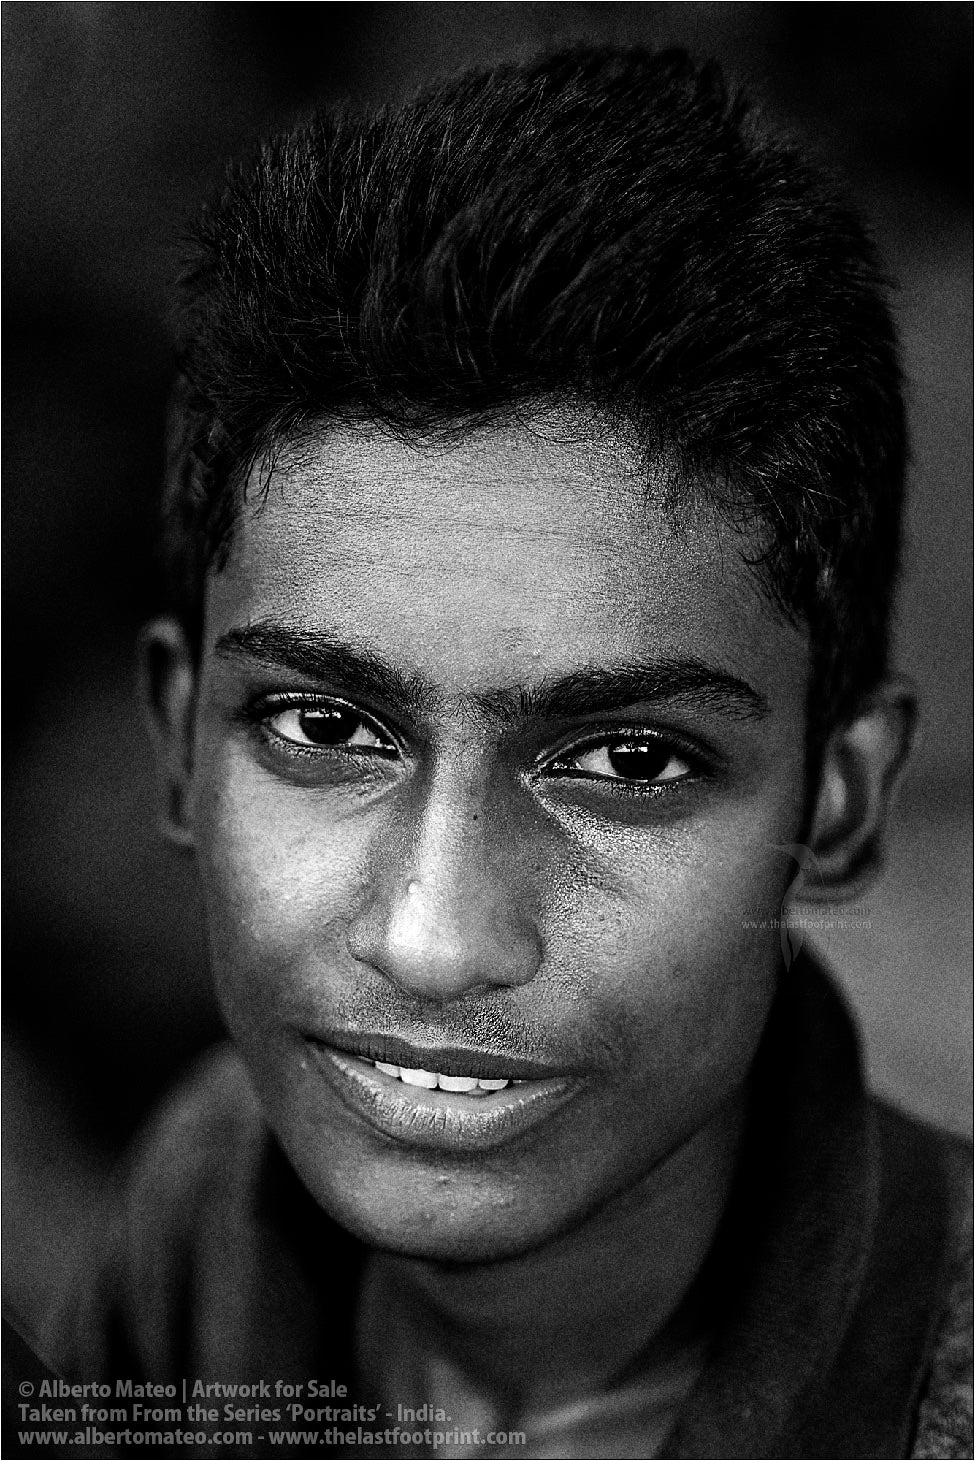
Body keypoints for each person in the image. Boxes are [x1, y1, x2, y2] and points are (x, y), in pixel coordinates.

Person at [8, 45, 971, 1460]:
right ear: (177, 744)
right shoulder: (213, 1203)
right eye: (326, 728)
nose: (435, 939)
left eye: (630, 760)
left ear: (837, 798)